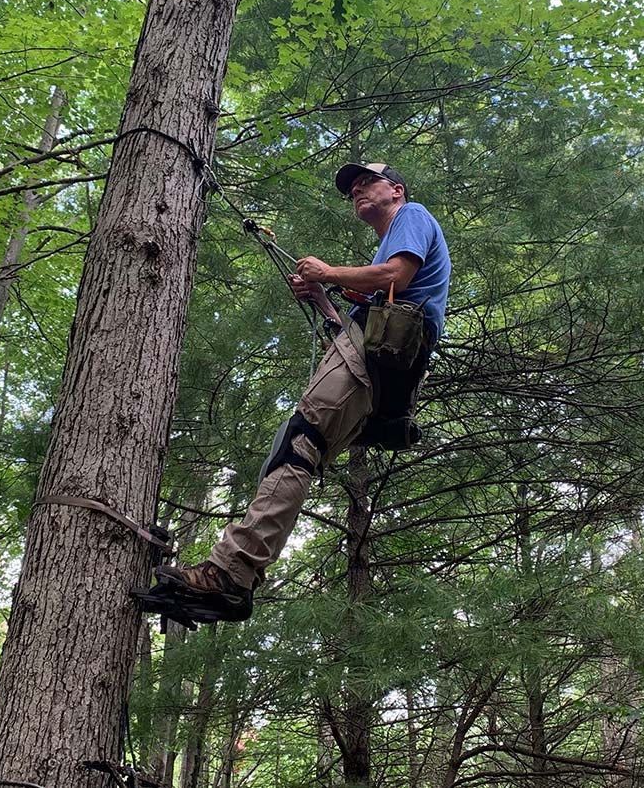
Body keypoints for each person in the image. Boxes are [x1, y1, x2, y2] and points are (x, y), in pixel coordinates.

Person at [153, 162, 451, 622]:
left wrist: (328, 272)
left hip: (376, 358)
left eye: (365, 183)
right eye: (351, 190)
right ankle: (236, 577)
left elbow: (395, 278)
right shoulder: (393, 244)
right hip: (383, 365)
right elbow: (365, 321)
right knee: (299, 450)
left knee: (298, 444)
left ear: (395, 189)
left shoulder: (411, 214)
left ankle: (231, 573)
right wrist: (321, 298)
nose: (356, 191)